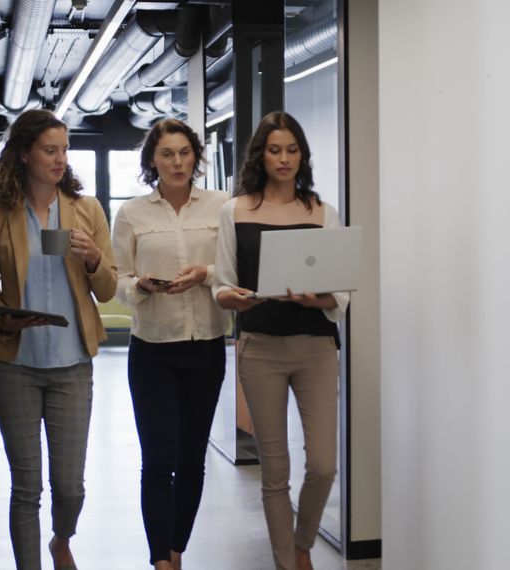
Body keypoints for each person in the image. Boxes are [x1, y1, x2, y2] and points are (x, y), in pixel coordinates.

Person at [0, 108, 117, 570]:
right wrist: (0, 319)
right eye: (49, 150)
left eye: (64, 150)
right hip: (17, 365)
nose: (60, 159)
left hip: (73, 365)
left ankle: (61, 538)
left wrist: (94, 258)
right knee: (26, 487)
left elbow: (109, 288)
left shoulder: (86, 210)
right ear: (24, 155)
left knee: (70, 485)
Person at [213, 111, 348, 570]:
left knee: (324, 466)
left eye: (292, 150)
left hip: (315, 347)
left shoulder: (321, 213)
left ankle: (303, 543)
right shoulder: (236, 211)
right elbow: (222, 284)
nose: (284, 158)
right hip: (260, 347)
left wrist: (316, 298)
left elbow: (341, 292)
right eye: (275, 150)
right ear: (261, 156)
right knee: (274, 471)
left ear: (302, 155)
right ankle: (285, 563)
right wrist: (232, 298)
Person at [111, 119, 230, 570]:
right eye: (167, 154)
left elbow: (235, 270)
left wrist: (206, 274)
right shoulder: (132, 213)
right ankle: (161, 559)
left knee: (192, 458)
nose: (177, 162)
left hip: (206, 345)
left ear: (196, 157)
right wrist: (140, 284)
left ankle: (177, 547)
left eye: (184, 153)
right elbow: (118, 281)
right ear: (152, 161)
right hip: (152, 348)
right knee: (158, 458)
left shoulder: (223, 207)